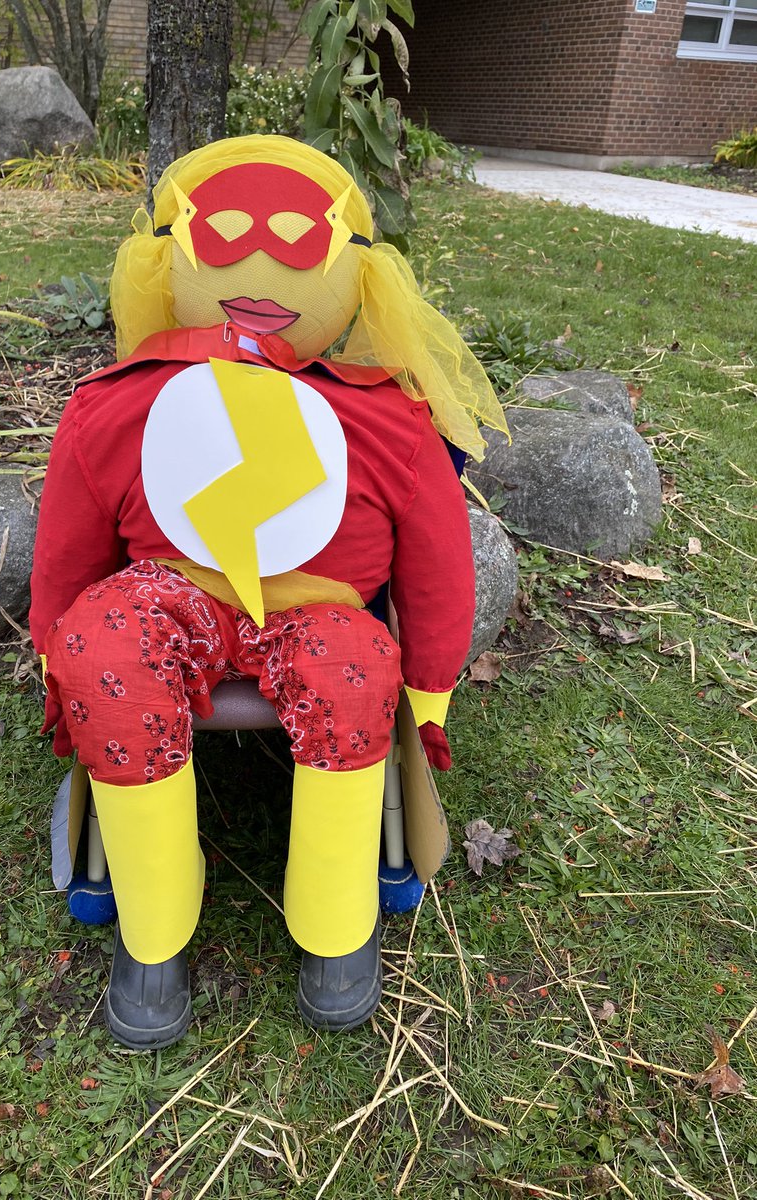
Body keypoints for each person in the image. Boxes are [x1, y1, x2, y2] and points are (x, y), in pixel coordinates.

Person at [30, 135, 507, 1049]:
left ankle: (336, 919)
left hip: (321, 609)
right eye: (224, 243)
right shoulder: (119, 402)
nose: (258, 275)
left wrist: (430, 691)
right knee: (106, 641)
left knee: (355, 664)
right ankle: (153, 925)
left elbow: (438, 569)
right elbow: (69, 549)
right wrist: (59, 648)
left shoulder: (387, 417)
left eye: (295, 245)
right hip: (168, 596)